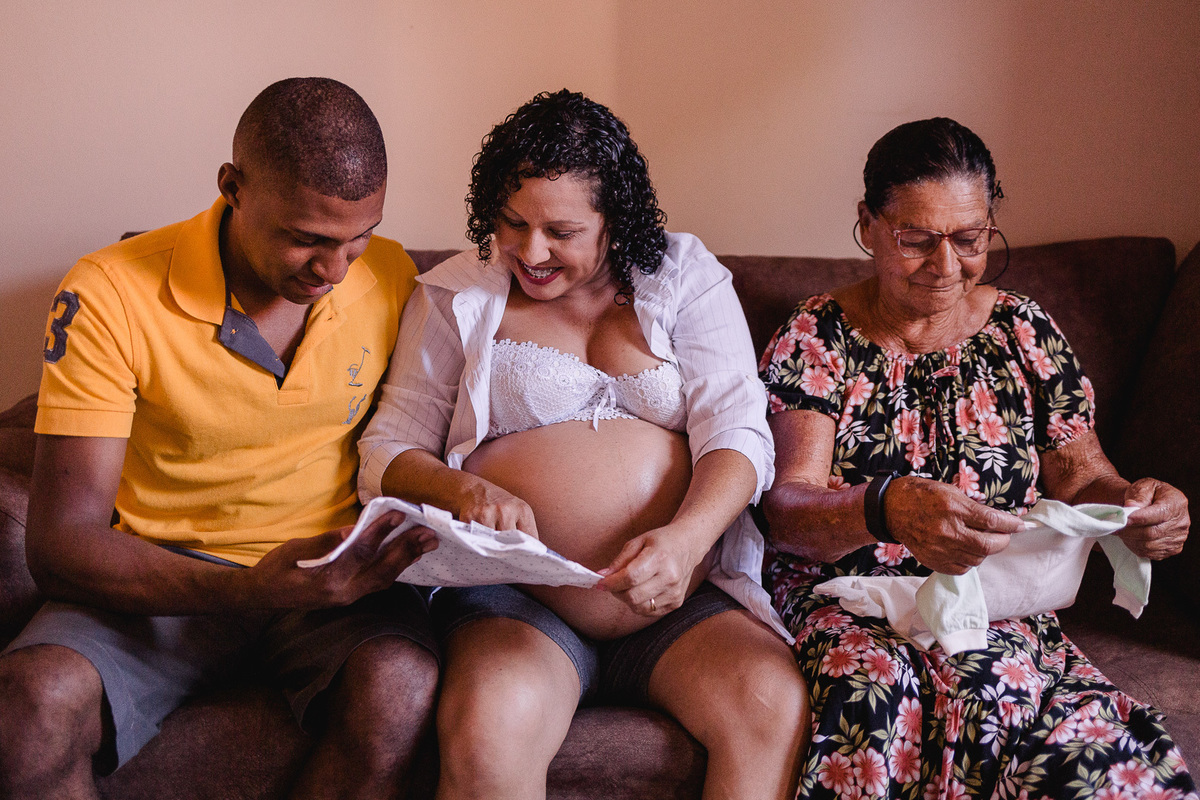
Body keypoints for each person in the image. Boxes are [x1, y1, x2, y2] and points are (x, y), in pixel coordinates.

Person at [358, 89, 808, 799]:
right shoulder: (453, 295)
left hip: (677, 599)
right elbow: (386, 450)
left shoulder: (685, 276)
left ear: (614, 221)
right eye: (512, 224)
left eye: (560, 231)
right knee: (489, 721)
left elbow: (738, 431)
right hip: (520, 601)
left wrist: (686, 540)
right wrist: (462, 488)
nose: (530, 252)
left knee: (769, 704)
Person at [0, 78, 440, 800]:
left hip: (330, 576)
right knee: (28, 707)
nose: (333, 271)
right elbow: (59, 546)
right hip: (158, 573)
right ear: (233, 186)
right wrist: (244, 590)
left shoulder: (389, 275)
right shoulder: (110, 291)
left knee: (401, 686)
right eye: (307, 240)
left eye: (356, 239)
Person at [759, 117, 1195, 798]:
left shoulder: (1023, 330)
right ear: (868, 223)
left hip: (995, 599)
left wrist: (1133, 506)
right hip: (852, 603)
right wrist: (886, 508)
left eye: (969, 239)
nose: (946, 266)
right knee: (876, 694)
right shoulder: (819, 335)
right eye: (915, 239)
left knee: (1068, 742)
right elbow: (787, 511)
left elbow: (1082, 474)